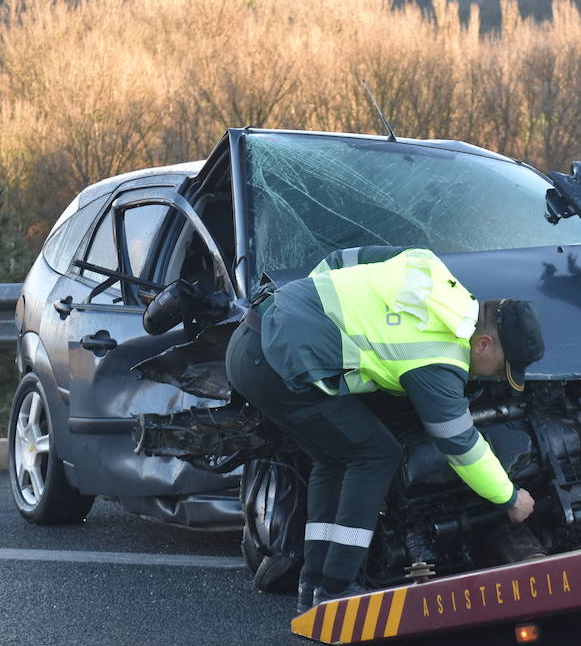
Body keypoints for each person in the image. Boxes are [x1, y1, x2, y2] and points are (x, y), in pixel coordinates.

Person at [224, 245, 544, 613]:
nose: (493, 377)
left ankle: (314, 584)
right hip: (276, 363)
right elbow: (459, 444)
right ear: (484, 343)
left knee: (333, 458)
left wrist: (304, 317)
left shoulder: (429, 270)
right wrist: (509, 496)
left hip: (253, 335)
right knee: (377, 454)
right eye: (500, 368)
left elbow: (341, 260)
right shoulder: (438, 355)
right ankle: (337, 588)